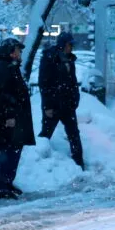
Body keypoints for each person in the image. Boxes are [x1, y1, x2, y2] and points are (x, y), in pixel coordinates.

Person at [0, 39, 35, 199]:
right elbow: (1, 95)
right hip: (5, 119)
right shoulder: (2, 67)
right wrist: (9, 115)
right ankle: (1, 185)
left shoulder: (8, 66)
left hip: (11, 117)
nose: (20, 53)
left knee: (13, 149)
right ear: (11, 51)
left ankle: (6, 182)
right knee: (7, 149)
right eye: (18, 50)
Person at [38, 33, 84, 170]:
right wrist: (48, 106)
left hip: (68, 105)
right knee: (46, 134)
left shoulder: (70, 60)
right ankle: (37, 163)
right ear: (63, 45)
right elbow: (44, 84)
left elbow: (72, 82)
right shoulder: (49, 59)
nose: (72, 47)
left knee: (74, 133)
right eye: (70, 45)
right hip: (53, 105)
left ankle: (79, 163)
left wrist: (75, 99)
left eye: (72, 45)